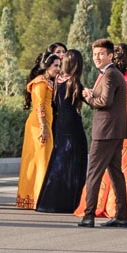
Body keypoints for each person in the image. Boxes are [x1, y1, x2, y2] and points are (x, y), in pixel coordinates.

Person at [75, 43, 127, 220]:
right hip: (114, 130)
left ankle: (88, 215)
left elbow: (105, 101)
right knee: (115, 173)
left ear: (110, 56)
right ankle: (120, 216)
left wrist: (90, 98)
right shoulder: (110, 74)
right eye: (94, 54)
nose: (97, 57)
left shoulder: (110, 74)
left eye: (101, 54)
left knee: (93, 173)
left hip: (106, 131)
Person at [36, 49, 88, 213]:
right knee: (74, 162)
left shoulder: (57, 81)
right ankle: (70, 201)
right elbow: (91, 101)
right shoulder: (74, 83)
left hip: (59, 125)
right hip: (73, 126)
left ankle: (49, 201)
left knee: (58, 161)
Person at [16, 52, 58, 209]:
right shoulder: (40, 83)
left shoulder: (47, 82)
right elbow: (39, 105)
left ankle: (37, 196)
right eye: (55, 66)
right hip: (38, 126)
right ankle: (36, 197)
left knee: (42, 160)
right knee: (39, 161)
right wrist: (43, 127)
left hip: (44, 124)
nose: (58, 69)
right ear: (47, 66)